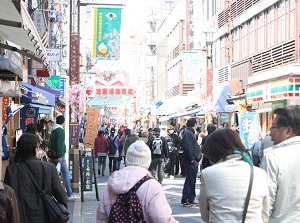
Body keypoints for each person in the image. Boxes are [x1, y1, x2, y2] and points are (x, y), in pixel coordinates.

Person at [96, 140, 179, 223]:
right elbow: (162, 219)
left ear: (127, 159)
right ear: (148, 161)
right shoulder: (152, 186)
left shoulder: (112, 183)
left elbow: (101, 218)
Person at [199, 128, 269, 223]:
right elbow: (265, 212)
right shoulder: (259, 173)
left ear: (213, 151)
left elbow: (205, 214)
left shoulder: (207, 174)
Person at [4, 133, 68, 222]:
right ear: (35, 149)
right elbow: (61, 195)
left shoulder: (11, 170)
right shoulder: (49, 168)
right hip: (44, 218)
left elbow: (6, 197)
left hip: (19, 218)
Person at [260, 106, 300, 222]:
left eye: (273, 128)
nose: (270, 133)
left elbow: (266, 200)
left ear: (288, 131)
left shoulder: (273, 157)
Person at [50, 115, 79, 201]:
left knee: (54, 174)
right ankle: (69, 194)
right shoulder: (60, 131)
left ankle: (55, 194)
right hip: (59, 155)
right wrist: (60, 155)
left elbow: (50, 143)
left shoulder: (53, 130)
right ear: (63, 122)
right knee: (66, 173)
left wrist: (51, 156)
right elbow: (60, 144)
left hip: (53, 155)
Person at [181, 118, 202, 206]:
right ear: (194, 124)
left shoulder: (189, 133)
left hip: (193, 159)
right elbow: (188, 147)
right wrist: (192, 158)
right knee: (190, 179)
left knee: (192, 179)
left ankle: (191, 198)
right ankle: (186, 199)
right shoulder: (188, 133)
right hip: (191, 160)